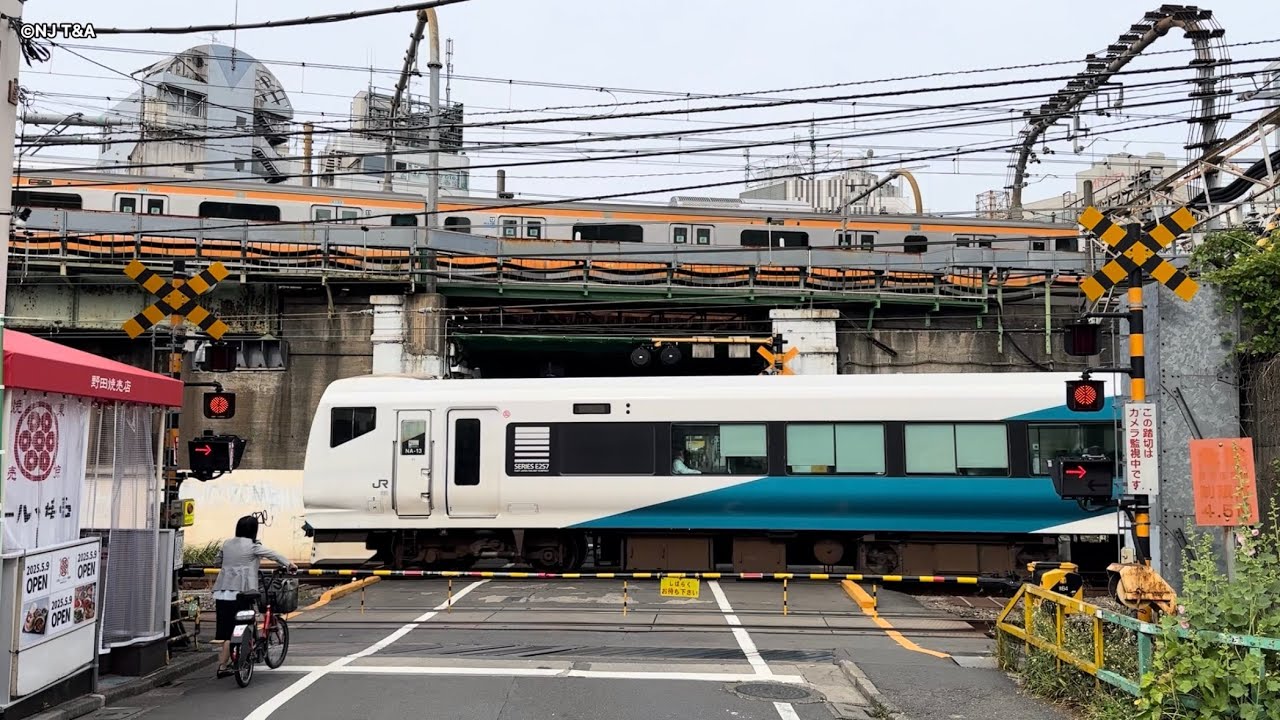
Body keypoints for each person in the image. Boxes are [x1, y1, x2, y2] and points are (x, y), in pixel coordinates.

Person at [213, 515, 297, 678]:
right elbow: (273, 554)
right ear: (254, 530)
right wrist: (289, 564)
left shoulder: (227, 544)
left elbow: (217, 561)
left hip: (222, 592)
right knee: (244, 623)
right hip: (242, 592)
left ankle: (223, 667)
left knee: (226, 633)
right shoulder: (253, 546)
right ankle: (245, 655)